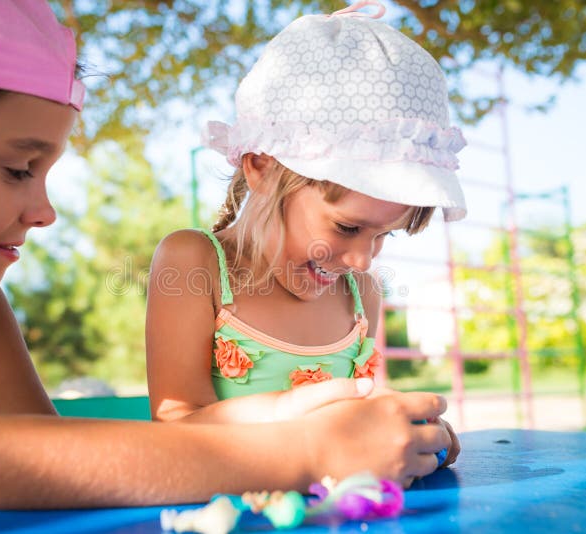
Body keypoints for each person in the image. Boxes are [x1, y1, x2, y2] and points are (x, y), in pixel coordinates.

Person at [0, 0, 451, 519]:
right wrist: (312, 452)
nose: (45, 212)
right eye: (17, 169)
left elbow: (53, 469)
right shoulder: (197, 264)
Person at [146, 1, 464, 457]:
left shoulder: (361, 294)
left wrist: (407, 426)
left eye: (383, 235)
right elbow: (174, 425)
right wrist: (294, 418)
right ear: (261, 167)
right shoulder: (194, 265)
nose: (361, 260)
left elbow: (360, 413)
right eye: (347, 226)